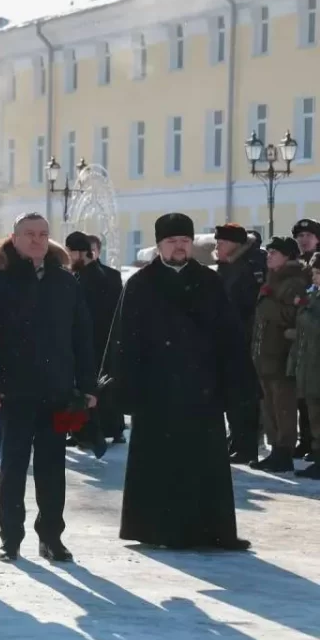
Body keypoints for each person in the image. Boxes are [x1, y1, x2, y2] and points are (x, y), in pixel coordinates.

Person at [105, 213, 254, 551]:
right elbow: (124, 340)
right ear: (159, 245)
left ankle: (214, 531)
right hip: (157, 390)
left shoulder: (209, 281)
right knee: (160, 462)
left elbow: (229, 335)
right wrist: (124, 386)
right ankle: (159, 529)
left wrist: (237, 382)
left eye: (184, 241)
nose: (179, 247)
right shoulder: (141, 284)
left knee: (207, 463)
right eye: (172, 242)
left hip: (202, 388)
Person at [0, 216, 95, 563]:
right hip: (13, 392)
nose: (37, 240)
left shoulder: (65, 282)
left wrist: (87, 385)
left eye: (43, 234)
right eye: (30, 234)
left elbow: (82, 337)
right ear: (14, 238)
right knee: (12, 467)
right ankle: (10, 538)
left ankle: (51, 537)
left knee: (52, 467)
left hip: (57, 391)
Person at [249, 237, 310, 473]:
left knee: (283, 406)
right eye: (269, 252)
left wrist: (266, 306)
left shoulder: (293, 281)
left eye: (275, 252)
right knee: (271, 405)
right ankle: (275, 450)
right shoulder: (273, 280)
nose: (269, 256)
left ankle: (283, 451)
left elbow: (293, 315)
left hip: (281, 355)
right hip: (267, 354)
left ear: (287, 256)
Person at [64, 232, 121, 455]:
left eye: (70, 253)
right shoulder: (98, 275)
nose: (68, 258)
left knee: (90, 390)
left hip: (93, 342)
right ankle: (98, 430)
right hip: (101, 342)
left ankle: (90, 433)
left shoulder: (83, 279)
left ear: (80, 253)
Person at [213, 223, 264, 464]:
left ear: (234, 244)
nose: (217, 247)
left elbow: (251, 306)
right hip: (227, 340)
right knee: (231, 395)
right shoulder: (226, 266)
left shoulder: (250, 266)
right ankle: (235, 439)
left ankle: (246, 445)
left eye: (221, 243)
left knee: (245, 396)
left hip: (244, 340)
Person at [288, 257, 320, 478]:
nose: (314, 277)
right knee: (313, 415)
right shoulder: (314, 295)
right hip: (309, 364)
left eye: (318, 273)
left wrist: (305, 310)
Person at [292, 219, 318, 458]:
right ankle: (306, 439)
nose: (303, 239)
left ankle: (313, 442)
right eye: (300, 235)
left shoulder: (316, 264)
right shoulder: (297, 264)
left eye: (308, 235)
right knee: (302, 393)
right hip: (298, 336)